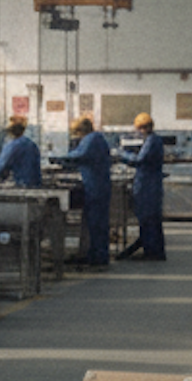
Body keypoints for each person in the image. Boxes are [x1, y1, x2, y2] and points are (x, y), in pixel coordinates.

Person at [56, 117, 112, 266]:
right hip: (97, 185)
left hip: (95, 187)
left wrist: (58, 158)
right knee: (95, 224)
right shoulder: (96, 138)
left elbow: (79, 155)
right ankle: (94, 254)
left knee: (96, 224)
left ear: (81, 130)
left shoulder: (91, 139)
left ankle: (98, 257)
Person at [115, 112, 166, 261]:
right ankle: (156, 251)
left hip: (147, 187)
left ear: (143, 127)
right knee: (153, 220)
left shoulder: (151, 141)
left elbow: (139, 160)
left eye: (139, 129)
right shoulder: (154, 140)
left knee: (147, 219)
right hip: (151, 185)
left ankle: (151, 252)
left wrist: (122, 155)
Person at [0, 116, 42, 189]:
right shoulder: (32, 145)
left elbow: (0, 168)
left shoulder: (13, 146)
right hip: (35, 186)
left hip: (22, 186)